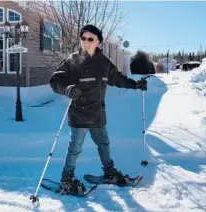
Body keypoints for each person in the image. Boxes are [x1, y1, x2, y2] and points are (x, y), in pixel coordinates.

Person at [49, 24, 148, 193]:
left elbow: (118, 79)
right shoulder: (72, 60)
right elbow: (55, 81)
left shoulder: (103, 63)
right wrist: (67, 89)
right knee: (75, 149)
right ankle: (66, 179)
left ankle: (109, 173)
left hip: (98, 114)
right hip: (79, 114)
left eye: (90, 39)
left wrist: (136, 85)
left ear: (98, 42)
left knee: (104, 144)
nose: (86, 42)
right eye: (83, 38)